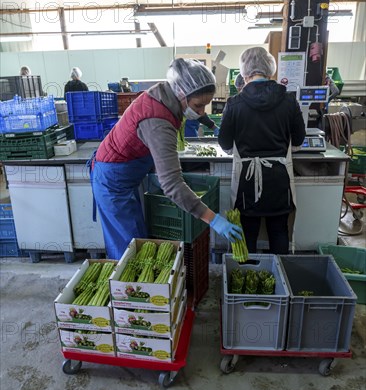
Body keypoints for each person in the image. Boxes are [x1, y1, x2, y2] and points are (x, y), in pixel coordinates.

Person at [90, 58, 243, 259]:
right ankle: (125, 289)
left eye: (205, 106)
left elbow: (196, 106)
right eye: (198, 105)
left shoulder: (165, 93)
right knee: (128, 247)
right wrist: (214, 220)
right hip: (113, 179)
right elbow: (172, 184)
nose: (201, 111)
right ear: (181, 93)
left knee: (137, 238)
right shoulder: (158, 123)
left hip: (127, 175)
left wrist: (212, 126)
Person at [218, 47, 306, 255]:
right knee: (279, 231)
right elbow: (299, 140)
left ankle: (248, 276)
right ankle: (282, 278)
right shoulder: (289, 100)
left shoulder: (234, 104)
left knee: (248, 232)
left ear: (244, 73)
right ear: (271, 70)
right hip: (279, 179)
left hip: (246, 182)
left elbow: (225, 144)